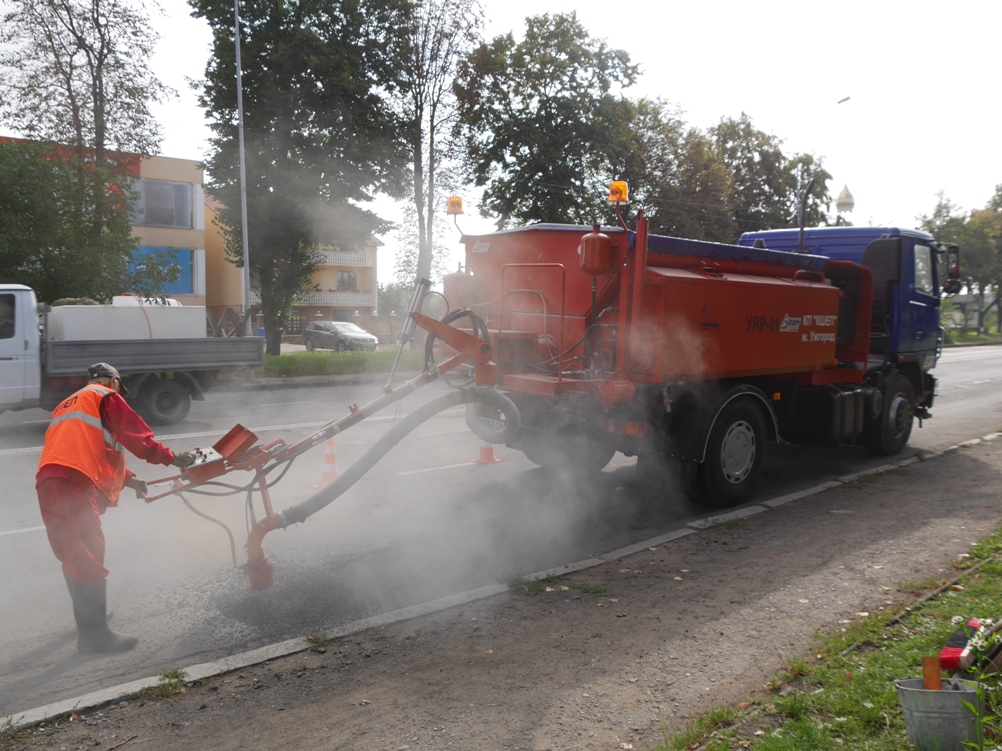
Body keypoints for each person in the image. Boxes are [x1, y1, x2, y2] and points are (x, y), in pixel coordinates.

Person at [36, 363, 197, 654]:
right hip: (73, 481)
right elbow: (137, 437)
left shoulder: (66, 405)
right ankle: (95, 636)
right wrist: (174, 458)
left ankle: (89, 619)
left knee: (72, 553)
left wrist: (131, 481)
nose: (121, 394)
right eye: (121, 389)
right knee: (88, 553)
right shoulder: (105, 395)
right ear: (113, 381)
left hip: (49, 480)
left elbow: (94, 451)